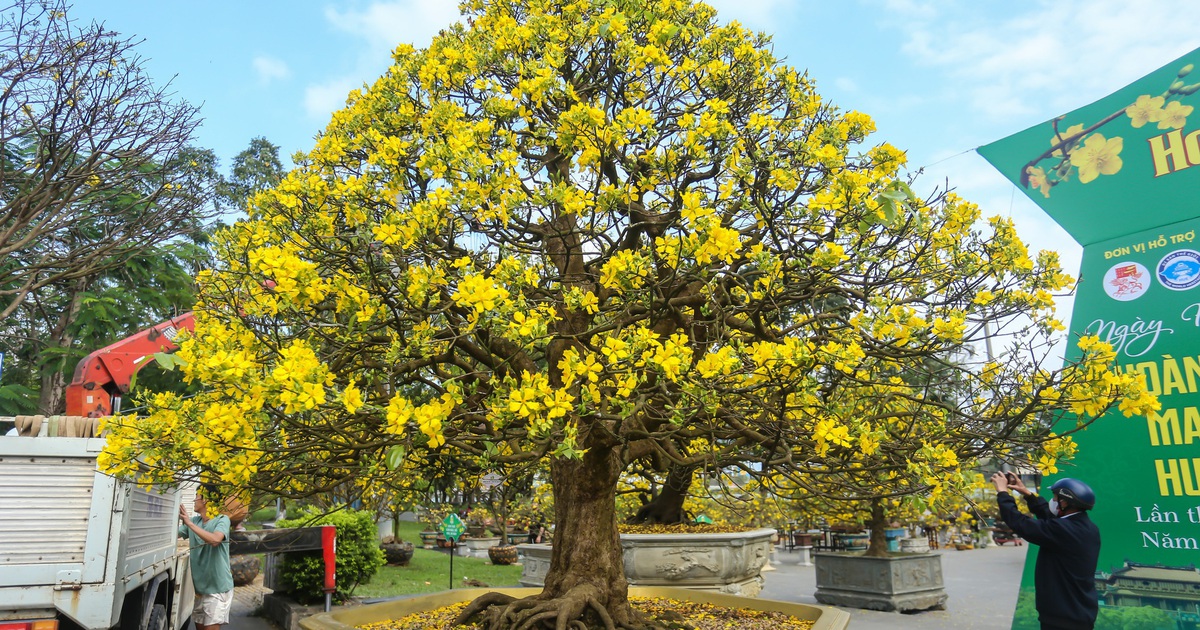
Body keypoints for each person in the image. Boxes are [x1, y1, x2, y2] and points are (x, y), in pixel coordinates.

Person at [992, 472, 1100, 630]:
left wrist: (1002, 493)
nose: (1053, 501)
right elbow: (1051, 519)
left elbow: (1020, 523)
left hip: (1063, 618)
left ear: (1065, 503)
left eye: (1056, 498)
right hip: (1078, 613)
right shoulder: (1087, 527)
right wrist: (1028, 495)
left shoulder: (1063, 530)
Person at [179, 486, 234, 630]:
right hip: (200, 590)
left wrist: (188, 523)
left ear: (206, 500)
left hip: (217, 589)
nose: (194, 500)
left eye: (197, 496)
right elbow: (173, 534)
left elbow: (215, 540)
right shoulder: (195, 522)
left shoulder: (222, 520)